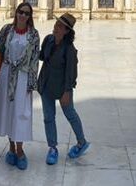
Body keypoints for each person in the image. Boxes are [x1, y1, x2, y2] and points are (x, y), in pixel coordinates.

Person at [0, 2, 40, 170]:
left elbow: (34, 60)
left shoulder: (33, 35)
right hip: (6, 74)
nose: (23, 15)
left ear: (30, 16)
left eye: (26, 13)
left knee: (20, 113)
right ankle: (11, 148)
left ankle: (20, 150)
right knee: (8, 111)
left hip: (23, 77)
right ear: (16, 13)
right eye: (20, 12)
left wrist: (32, 83)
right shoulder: (7, 30)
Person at [38, 13, 89, 165]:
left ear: (66, 31)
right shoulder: (48, 40)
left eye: (60, 26)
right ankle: (52, 148)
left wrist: (67, 91)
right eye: (56, 24)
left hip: (62, 87)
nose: (56, 27)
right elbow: (41, 56)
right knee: (48, 117)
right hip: (46, 84)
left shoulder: (69, 50)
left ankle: (81, 142)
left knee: (70, 114)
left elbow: (72, 73)